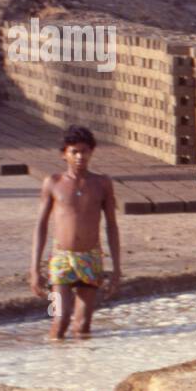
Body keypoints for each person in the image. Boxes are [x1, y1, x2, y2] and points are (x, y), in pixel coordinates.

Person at [29, 125, 121, 339]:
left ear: (91, 152)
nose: (80, 156)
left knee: (82, 326)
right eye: (74, 152)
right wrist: (34, 269)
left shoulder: (102, 184)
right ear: (64, 154)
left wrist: (116, 269)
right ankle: (55, 364)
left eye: (85, 151)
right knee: (60, 320)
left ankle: (81, 368)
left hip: (90, 258)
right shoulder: (54, 183)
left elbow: (112, 226)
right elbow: (40, 226)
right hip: (61, 259)